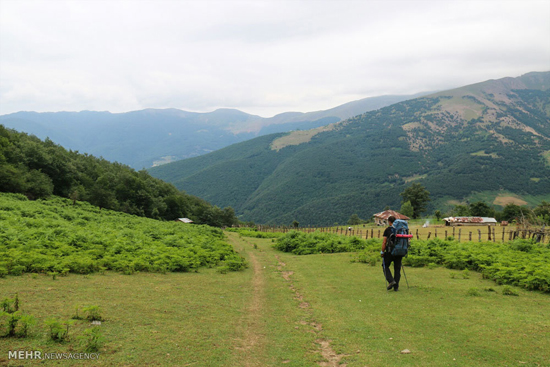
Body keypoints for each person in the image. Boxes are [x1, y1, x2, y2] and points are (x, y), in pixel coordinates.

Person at [380, 216, 403, 291]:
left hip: (390, 251)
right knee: (397, 269)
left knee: (385, 265)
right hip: (400, 251)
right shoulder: (401, 230)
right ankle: (396, 287)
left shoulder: (388, 229)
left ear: (389, 221)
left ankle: (391, 281)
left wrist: (382, 251)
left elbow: (384, 242)